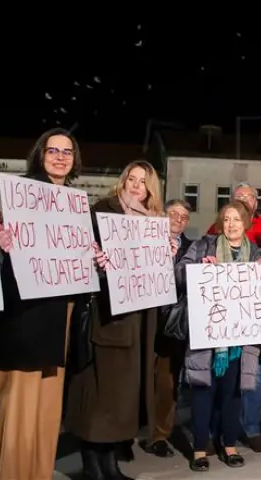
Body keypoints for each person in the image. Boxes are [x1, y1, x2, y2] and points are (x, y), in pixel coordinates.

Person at [0, 128, 83, 480]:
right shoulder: (22, 192)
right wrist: (1, 241)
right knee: (18, 401)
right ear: (40, 154)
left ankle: (37, 470)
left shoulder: (74, 202)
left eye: (67, 151)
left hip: (60, 312)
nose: (60, 157)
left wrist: (93, 259)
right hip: (26, 313)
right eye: (52, 150)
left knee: (47, 401)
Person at [67, 160, 168, 480]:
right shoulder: (103, 211)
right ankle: (91, 465)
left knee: (121, 398)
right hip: (108, 317)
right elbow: (79, 252)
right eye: (132, 179)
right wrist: (95, 261)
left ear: (151, 189)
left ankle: (109, 464)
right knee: (99, 395)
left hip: (138, 321)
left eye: (144, 181)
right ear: (123, 182)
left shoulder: (154, 223)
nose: (136, 185)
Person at [174, 200, 261, 472]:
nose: (231, 225)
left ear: (246, 223)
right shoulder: (204, 245)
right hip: (208, 336)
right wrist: (199, 268)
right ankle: (200, 448)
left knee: (232, 392)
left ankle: (229, 444)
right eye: (226, 219)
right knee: (203, 391)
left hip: (239, 339)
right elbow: (179, 273)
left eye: (237, 219)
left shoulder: (255, 255)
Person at [141, 199, 193, 458]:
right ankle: (124, 433)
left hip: (172, 324)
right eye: (174, 213)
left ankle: (160, 435)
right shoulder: (144, 240)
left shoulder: (192, 248)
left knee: (167, 382)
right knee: (136, 379)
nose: (179, 219)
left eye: (184, 216)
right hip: (141, 318)